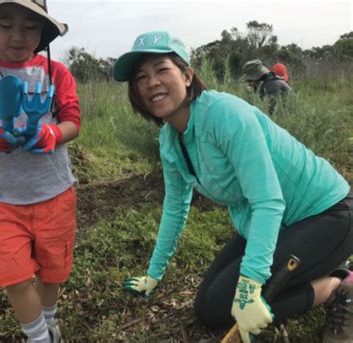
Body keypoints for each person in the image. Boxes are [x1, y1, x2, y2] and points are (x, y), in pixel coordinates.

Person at [113, 31, 353, 343]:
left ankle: (337, 289)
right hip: (275, 226)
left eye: (161, 70)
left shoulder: (226, 114)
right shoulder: (170, 141)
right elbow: (174, 208)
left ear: (186, 76)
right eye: (141, 77)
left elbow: (268, 200)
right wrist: (153, 274)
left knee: (232, 301)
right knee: (209, 307)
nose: (151, 82)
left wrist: (250, 285)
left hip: (328, 215)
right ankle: (318, 268)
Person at [0, 1, 80, 342]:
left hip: (55, 192)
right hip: (7, 198)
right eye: (6, 24)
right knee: (12, 275)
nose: (17, 35)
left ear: (42, 31)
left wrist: (53, 133)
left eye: (30, 26)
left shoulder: (57, 74)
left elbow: (72, 121)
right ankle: (40, 337)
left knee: (52, 272)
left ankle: (49, 321)